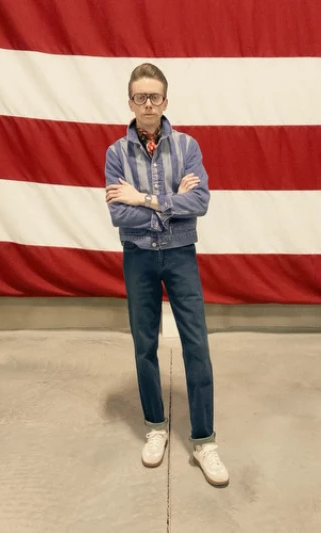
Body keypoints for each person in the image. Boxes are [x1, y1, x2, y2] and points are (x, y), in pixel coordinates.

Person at [103, 63, 229, 487]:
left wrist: (145, 199)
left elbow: (201, 203)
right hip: (138, 258)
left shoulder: (188, 146)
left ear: (166, 101)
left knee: (196, 344)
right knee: (144, 344)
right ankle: (155, 427)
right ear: (130, 102)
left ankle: (204, 440)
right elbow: (119, 215)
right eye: (140, 97)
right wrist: (171, 199)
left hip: (180, 257)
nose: (148, 104)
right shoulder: (116, 154)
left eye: (154, 96)